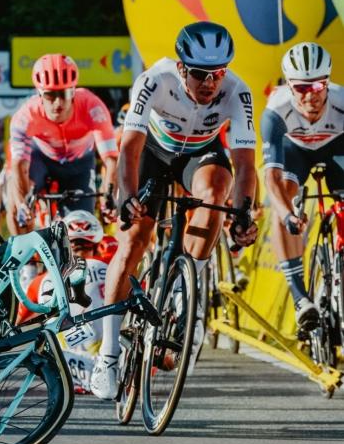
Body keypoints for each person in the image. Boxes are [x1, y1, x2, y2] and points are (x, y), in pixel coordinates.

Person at [90, 21, 259, 399]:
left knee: (217, 191)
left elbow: (246, 164)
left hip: (199, 154)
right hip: (153, 151)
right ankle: (109, 353)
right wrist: (127, 197)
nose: (210, 83)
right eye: (200, 73)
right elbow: (130, 147)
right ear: (182, 68)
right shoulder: (155, 79)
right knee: (134, 239)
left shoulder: (238, 91)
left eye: (218, 73)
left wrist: (243, 213)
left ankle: (189, 288)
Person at [261, 41, 344, 331]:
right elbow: (269, 178)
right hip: (294, 150)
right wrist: (288, 215)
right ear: (289, 84)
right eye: (301, 88)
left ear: (328, 81)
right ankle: (301, 298)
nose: (311, 96)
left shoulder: (342, 101)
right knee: (283, 195)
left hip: (335, 147)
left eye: (319, 87)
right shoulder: (275, 110)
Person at [5, 54, 119, 234]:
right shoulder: (25, 116)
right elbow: (19, 164)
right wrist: (21, 204)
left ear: (73, 91)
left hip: (79, 163)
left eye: (64, 94)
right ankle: (24, 258)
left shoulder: (92, 106)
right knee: (17, 201)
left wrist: (110, 195)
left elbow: (111, 159)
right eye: (50, 95)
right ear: (39, 94)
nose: (58, 102)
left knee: (82, 228)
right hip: (41, 159)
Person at [14, 210, 116, 392]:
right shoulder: (113, 270)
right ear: (97, 243)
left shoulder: (41, 281)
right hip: (112, 364)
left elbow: (16, 322)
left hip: (65, 365)